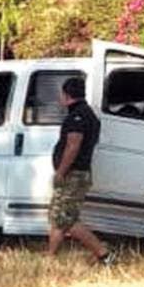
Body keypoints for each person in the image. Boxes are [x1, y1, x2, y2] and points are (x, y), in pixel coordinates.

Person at [48, 77, 115, 265]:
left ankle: (104, 254)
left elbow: (73, 146)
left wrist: (61, 172)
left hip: (73, 174)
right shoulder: (88, 114)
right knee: (58, 216)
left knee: (66, 219)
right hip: (78, 173)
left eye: (61, 94)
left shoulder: (77, 116)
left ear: (66, 95)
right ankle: (50, 258)